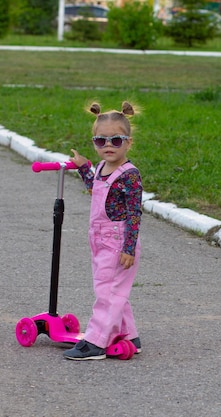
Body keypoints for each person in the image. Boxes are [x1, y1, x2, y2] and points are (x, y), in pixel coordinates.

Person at [63, 101, 143, 361]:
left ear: (128, 142)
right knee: (113, 290)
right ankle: (129, 335)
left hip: (119, 243)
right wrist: (84, 166)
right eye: (101, 141)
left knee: (107, 292)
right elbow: (95, 186)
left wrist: (129, 248)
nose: (108, 146)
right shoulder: (100, 169)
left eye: (116, 140)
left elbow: (134, 213)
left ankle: (95, 342)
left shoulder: (129, 175)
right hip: (99, 240)